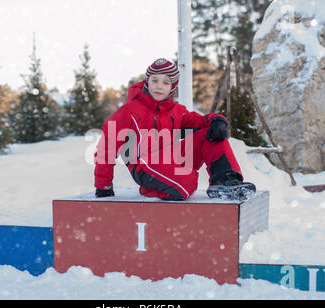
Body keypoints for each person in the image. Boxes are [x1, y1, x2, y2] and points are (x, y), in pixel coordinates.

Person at [94, 58, 255, 201]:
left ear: (172, 87)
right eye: (155, 80)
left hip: (171, 160)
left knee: (212, 134)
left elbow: (203, 122)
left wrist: (218, 120)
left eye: (166, 82)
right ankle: (151, 188)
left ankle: (225, 182)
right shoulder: (129, 111)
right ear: (147, 82)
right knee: (186, 184)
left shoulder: (176, 111)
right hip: (144, 164)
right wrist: (104, 186)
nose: (159, 86)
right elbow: (106, 148)